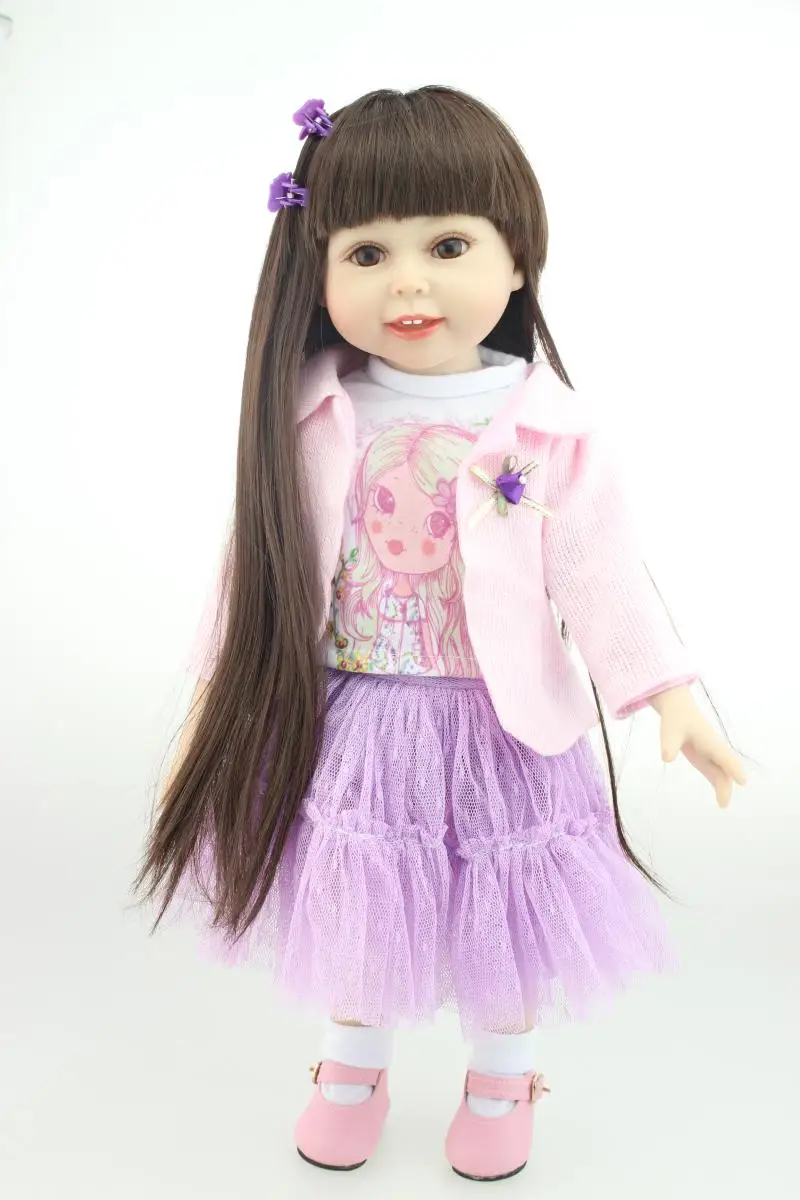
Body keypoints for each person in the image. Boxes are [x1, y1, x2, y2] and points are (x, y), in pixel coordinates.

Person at [134, 87, 747, 1182]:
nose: (408, 282)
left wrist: (667, 693)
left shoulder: (548, 426)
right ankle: (351, 1067)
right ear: (317, 273)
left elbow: (600, 573)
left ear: (516, 261)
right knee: (364, 901)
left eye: (448, 245)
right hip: (360, 721)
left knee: (507, 909)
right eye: (366, 254)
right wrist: (210, 709)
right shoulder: (311, 414)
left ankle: (502, 1076)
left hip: (506, 727)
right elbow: (255, 579)